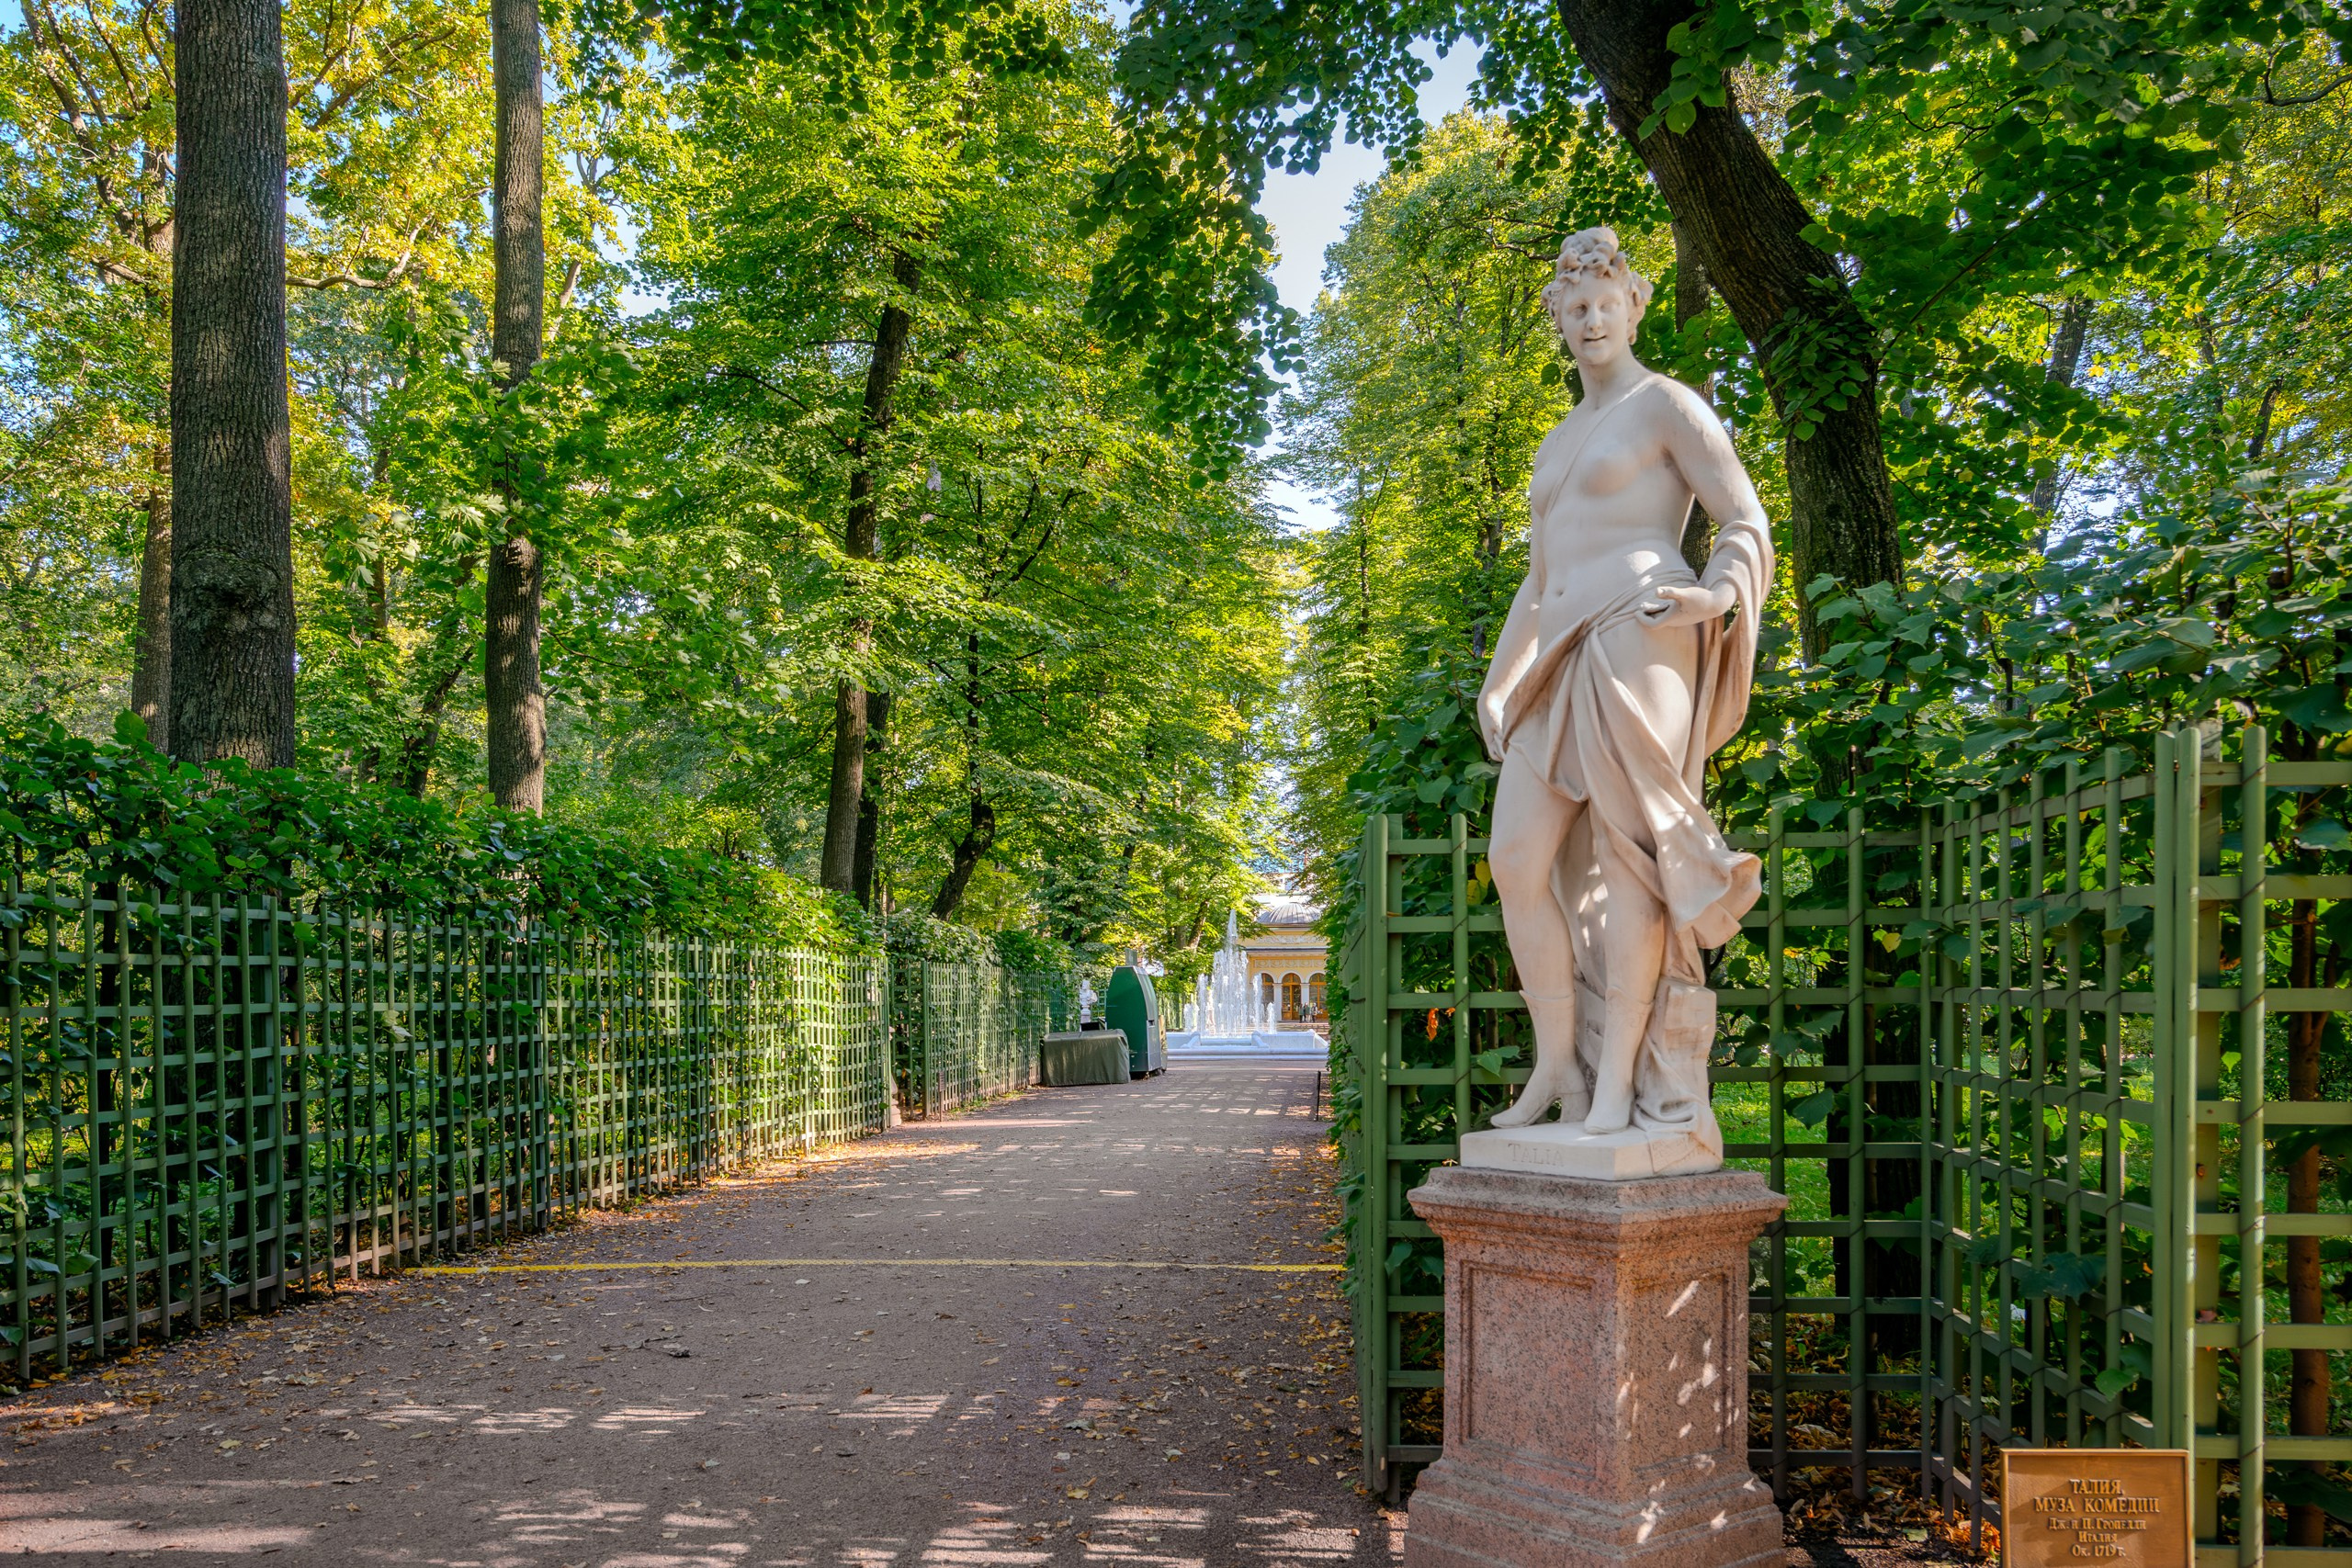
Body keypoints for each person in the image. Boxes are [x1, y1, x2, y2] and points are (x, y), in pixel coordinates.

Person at [1475, 227, 1772, 1158]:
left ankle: (1618, 1091)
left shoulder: (1666, 406)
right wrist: (1499, 679)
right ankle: (1560, 1065)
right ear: (1558, 322)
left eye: (1606, 303)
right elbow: (1539, 575)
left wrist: (1718, 591)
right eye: (1575, 308)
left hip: (1640, 628)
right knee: (1515, 861)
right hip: (1557, 644)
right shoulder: (1558, 439)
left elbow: (1743, 516)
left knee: (1625, 858)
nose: (1591, 319)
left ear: (1633, 308)